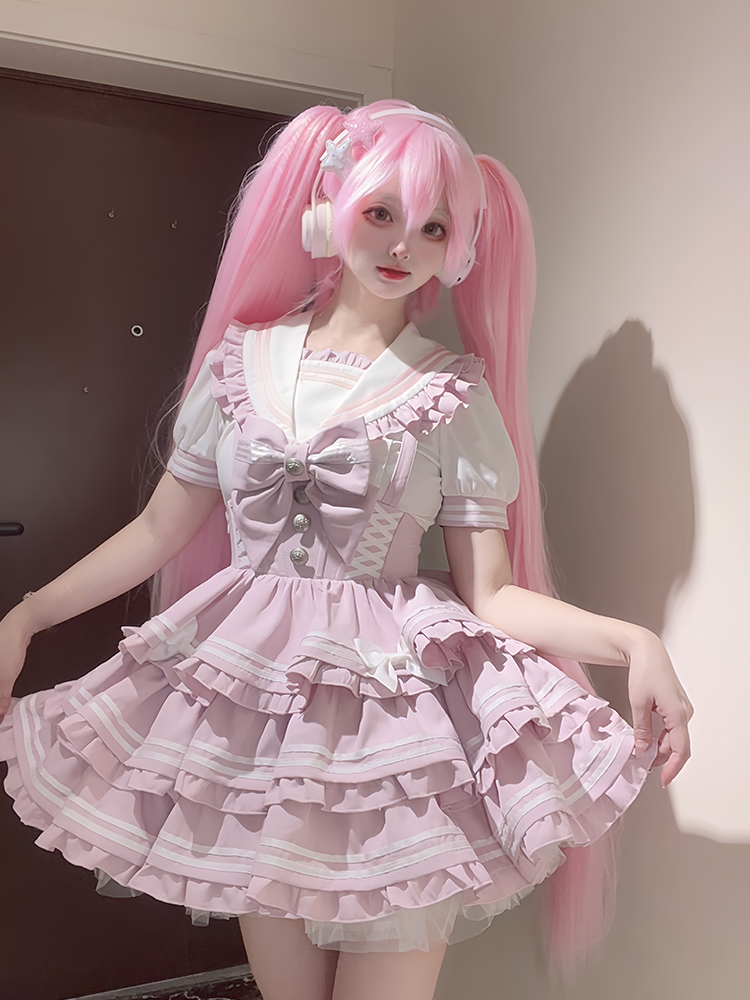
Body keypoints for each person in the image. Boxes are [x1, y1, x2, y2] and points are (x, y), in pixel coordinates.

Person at [0, 101, 692, 1000]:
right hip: (256, 721)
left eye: (434, 226)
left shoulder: (451, 393)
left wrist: (635, 641)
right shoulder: (239, 364)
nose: (405, 243)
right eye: (382, 211)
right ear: (330, 207)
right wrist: (26, 617)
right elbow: (159, 530)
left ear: (459, 248)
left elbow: (492, 593)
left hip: (396, 728)